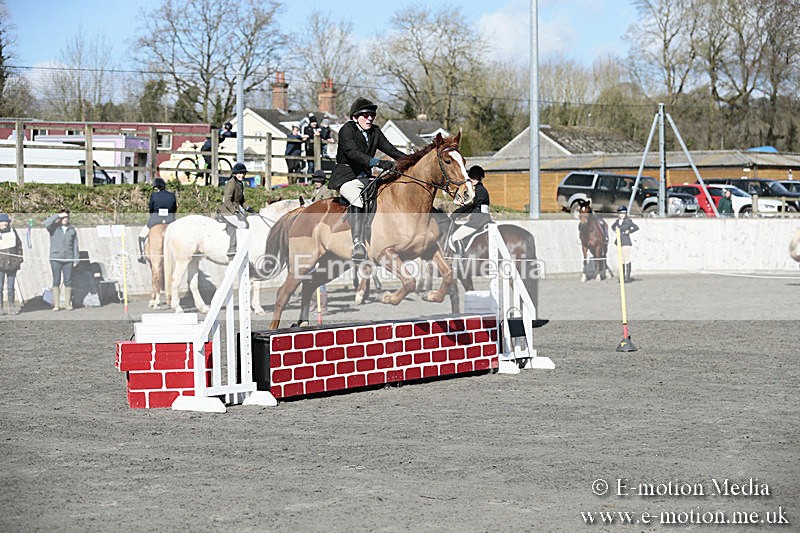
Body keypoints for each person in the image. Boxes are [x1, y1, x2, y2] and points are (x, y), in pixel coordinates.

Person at [328, 97, 406, 261]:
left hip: (365, 177)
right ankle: (358, 244)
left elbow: (390, 149)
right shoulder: (346, 130)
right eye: (365, 115)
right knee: (357, 199)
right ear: (355, 117)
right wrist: (378, 162)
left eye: (372, 115)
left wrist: (411, 161)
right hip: (346, 178)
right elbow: (353, 153)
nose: (370, 118)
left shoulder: (375, 131)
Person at [448, 165, 492, 256]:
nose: (472, 180)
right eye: (471, 177)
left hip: (478, 221)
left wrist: (456, 213)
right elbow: (471, 207)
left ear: (479, 178)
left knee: (455, 237)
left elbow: (471, 205)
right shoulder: (480, 190)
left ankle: (461, 260)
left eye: (475, 178)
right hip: (481, 219)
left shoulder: (479, 190)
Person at [44, 208, 79, 311]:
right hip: (55, 258)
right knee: (56, 281)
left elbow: (75, 245)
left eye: (66, 217)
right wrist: (58, 215)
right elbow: (46, 223)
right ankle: (56, 305)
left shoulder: (72, 229)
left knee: (68, 281)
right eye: (63, 217)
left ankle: (67, 304)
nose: (65, 219)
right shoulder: (53, 228)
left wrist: (76, 258)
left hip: (68, 259)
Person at [137, 177, 178, 263]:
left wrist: (153, 215)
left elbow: (151, 208)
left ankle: (143, 255)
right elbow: (174, 208)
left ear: (157, 187)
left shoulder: (154, 195)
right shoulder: (172, 195)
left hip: (156, 218)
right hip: (170, 219)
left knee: (142, 235)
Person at [220, 162, 256, 257]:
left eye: (243, 173)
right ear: (235, 174)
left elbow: (242, 201)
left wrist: (249, 208)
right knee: (242, 225)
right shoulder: (231, 183)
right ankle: (232, 249)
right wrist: (234, 211)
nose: (242, 175)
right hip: (227, 211)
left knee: (247, 223)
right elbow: (227, 200)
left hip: (235, 210)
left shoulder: (240, 184)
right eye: (240, 173)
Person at [0, 213, 23, 315]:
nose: (5, 223)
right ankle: (0, 308)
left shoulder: (13, 231)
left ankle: (12, 307)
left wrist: (19, 259)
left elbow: (19, 245)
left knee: (10, 287)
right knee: (0, 287)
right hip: (0, 264)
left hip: (12, 264)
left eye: (6, 221)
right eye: (2, 222)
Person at [610, 205, 639, 282]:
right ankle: (622, 276)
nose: (621, 215)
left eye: (623, 213)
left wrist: (629, 231)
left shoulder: (628, 221)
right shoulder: (617, 221)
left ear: (625, 214)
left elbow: (636, 227)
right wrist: (615, 230)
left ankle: (627, 276)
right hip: (619, 241)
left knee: (626, 258)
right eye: (620, 213)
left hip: (626, 241)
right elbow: (612, 227)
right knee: (621, 259)